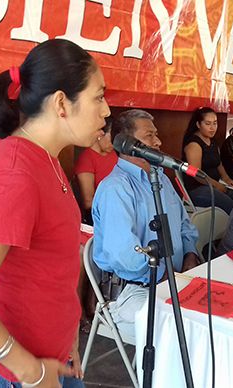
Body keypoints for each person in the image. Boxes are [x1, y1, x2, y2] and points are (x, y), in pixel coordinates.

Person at [0, 39, 111, 388]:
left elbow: (50, 265)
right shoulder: (16, 176)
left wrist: (68, 340)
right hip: (22, 373)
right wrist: (30, 372)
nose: (107, 110)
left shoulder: (45, 158)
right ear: (62, 103)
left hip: (54, 357)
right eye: (98, 96)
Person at [92, 109, 200, 341]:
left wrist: (190, 255)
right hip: (132, 292)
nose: (158, 141)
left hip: (174, 279)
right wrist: (166, 276)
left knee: (211, 317)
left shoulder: (160, 178)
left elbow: (184, 225)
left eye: (156, 134)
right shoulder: (116, 189)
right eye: (149, 135)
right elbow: (125, 256)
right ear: (125, 143)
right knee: (183, 330)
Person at [181, 106, 233, 213]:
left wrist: (227, 180)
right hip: (197, 189)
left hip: (214, 185)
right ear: (198, 125)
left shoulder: (212, 141)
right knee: (230, 205)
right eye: (208, 124)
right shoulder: (194, 144)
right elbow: (196, 173)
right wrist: (217, 185)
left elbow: (219, 163)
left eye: (215, 123)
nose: (212, 128)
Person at [73, 118, 117, 223]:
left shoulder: (115, 154)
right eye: (112, 138)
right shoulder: (87, 158)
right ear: (100, 135)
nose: (114, 144)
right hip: (100, 216)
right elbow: (88, 202)